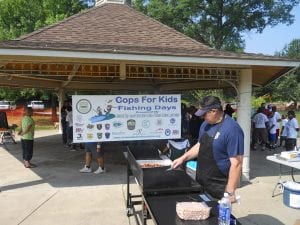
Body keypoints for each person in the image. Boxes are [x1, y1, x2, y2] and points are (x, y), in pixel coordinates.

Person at [172, 96, 244, 202]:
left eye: (204, 114)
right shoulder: (206, 124)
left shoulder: (232, 130)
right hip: (201, 179)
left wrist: (230, 192)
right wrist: (183, 158)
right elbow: (200, 145)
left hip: (219, 184)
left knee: (219, 217)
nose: (202, 117)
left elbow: (236, 163)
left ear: (214, 111)